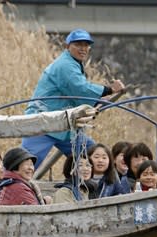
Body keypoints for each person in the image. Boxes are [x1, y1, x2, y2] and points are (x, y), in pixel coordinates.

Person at [21, 28, 125, 169]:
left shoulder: (74, 65)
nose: (83, 49)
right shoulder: (65, 65)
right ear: (67, 46)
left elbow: (74, 95)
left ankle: (102, 188)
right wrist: (110, 89)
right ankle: (6, 188)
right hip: (43, 123)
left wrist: (95, 104)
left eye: (86, 45)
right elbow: (80, 88)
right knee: (25, 164)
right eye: (78, 45)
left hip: (64, 126)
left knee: (94, 156)